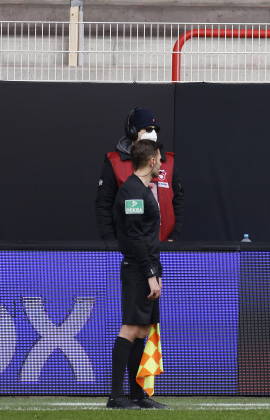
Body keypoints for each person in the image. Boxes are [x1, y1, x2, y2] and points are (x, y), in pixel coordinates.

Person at [107, 140, 169, 410]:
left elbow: (145, 236)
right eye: (159, 158)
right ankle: (115, 395)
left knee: (142, 329)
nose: (161, 163)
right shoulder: (132, 191)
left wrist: (156, 272)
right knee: (131, 328)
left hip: (146, 268)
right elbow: (134, 237)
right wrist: (149, 274)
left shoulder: (142, 189)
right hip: (136, 270)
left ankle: (135, 393)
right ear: (152, 161)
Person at [96, 108, 184, 243]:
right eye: (148, 129)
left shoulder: (167, 162)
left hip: (165, 247)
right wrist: (111, 242)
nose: (153, 134)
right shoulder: (114, 162)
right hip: (128, 249)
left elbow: (178, 201)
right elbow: (104, 205)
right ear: (132, 131)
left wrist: (174, 237)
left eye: (155, 129)